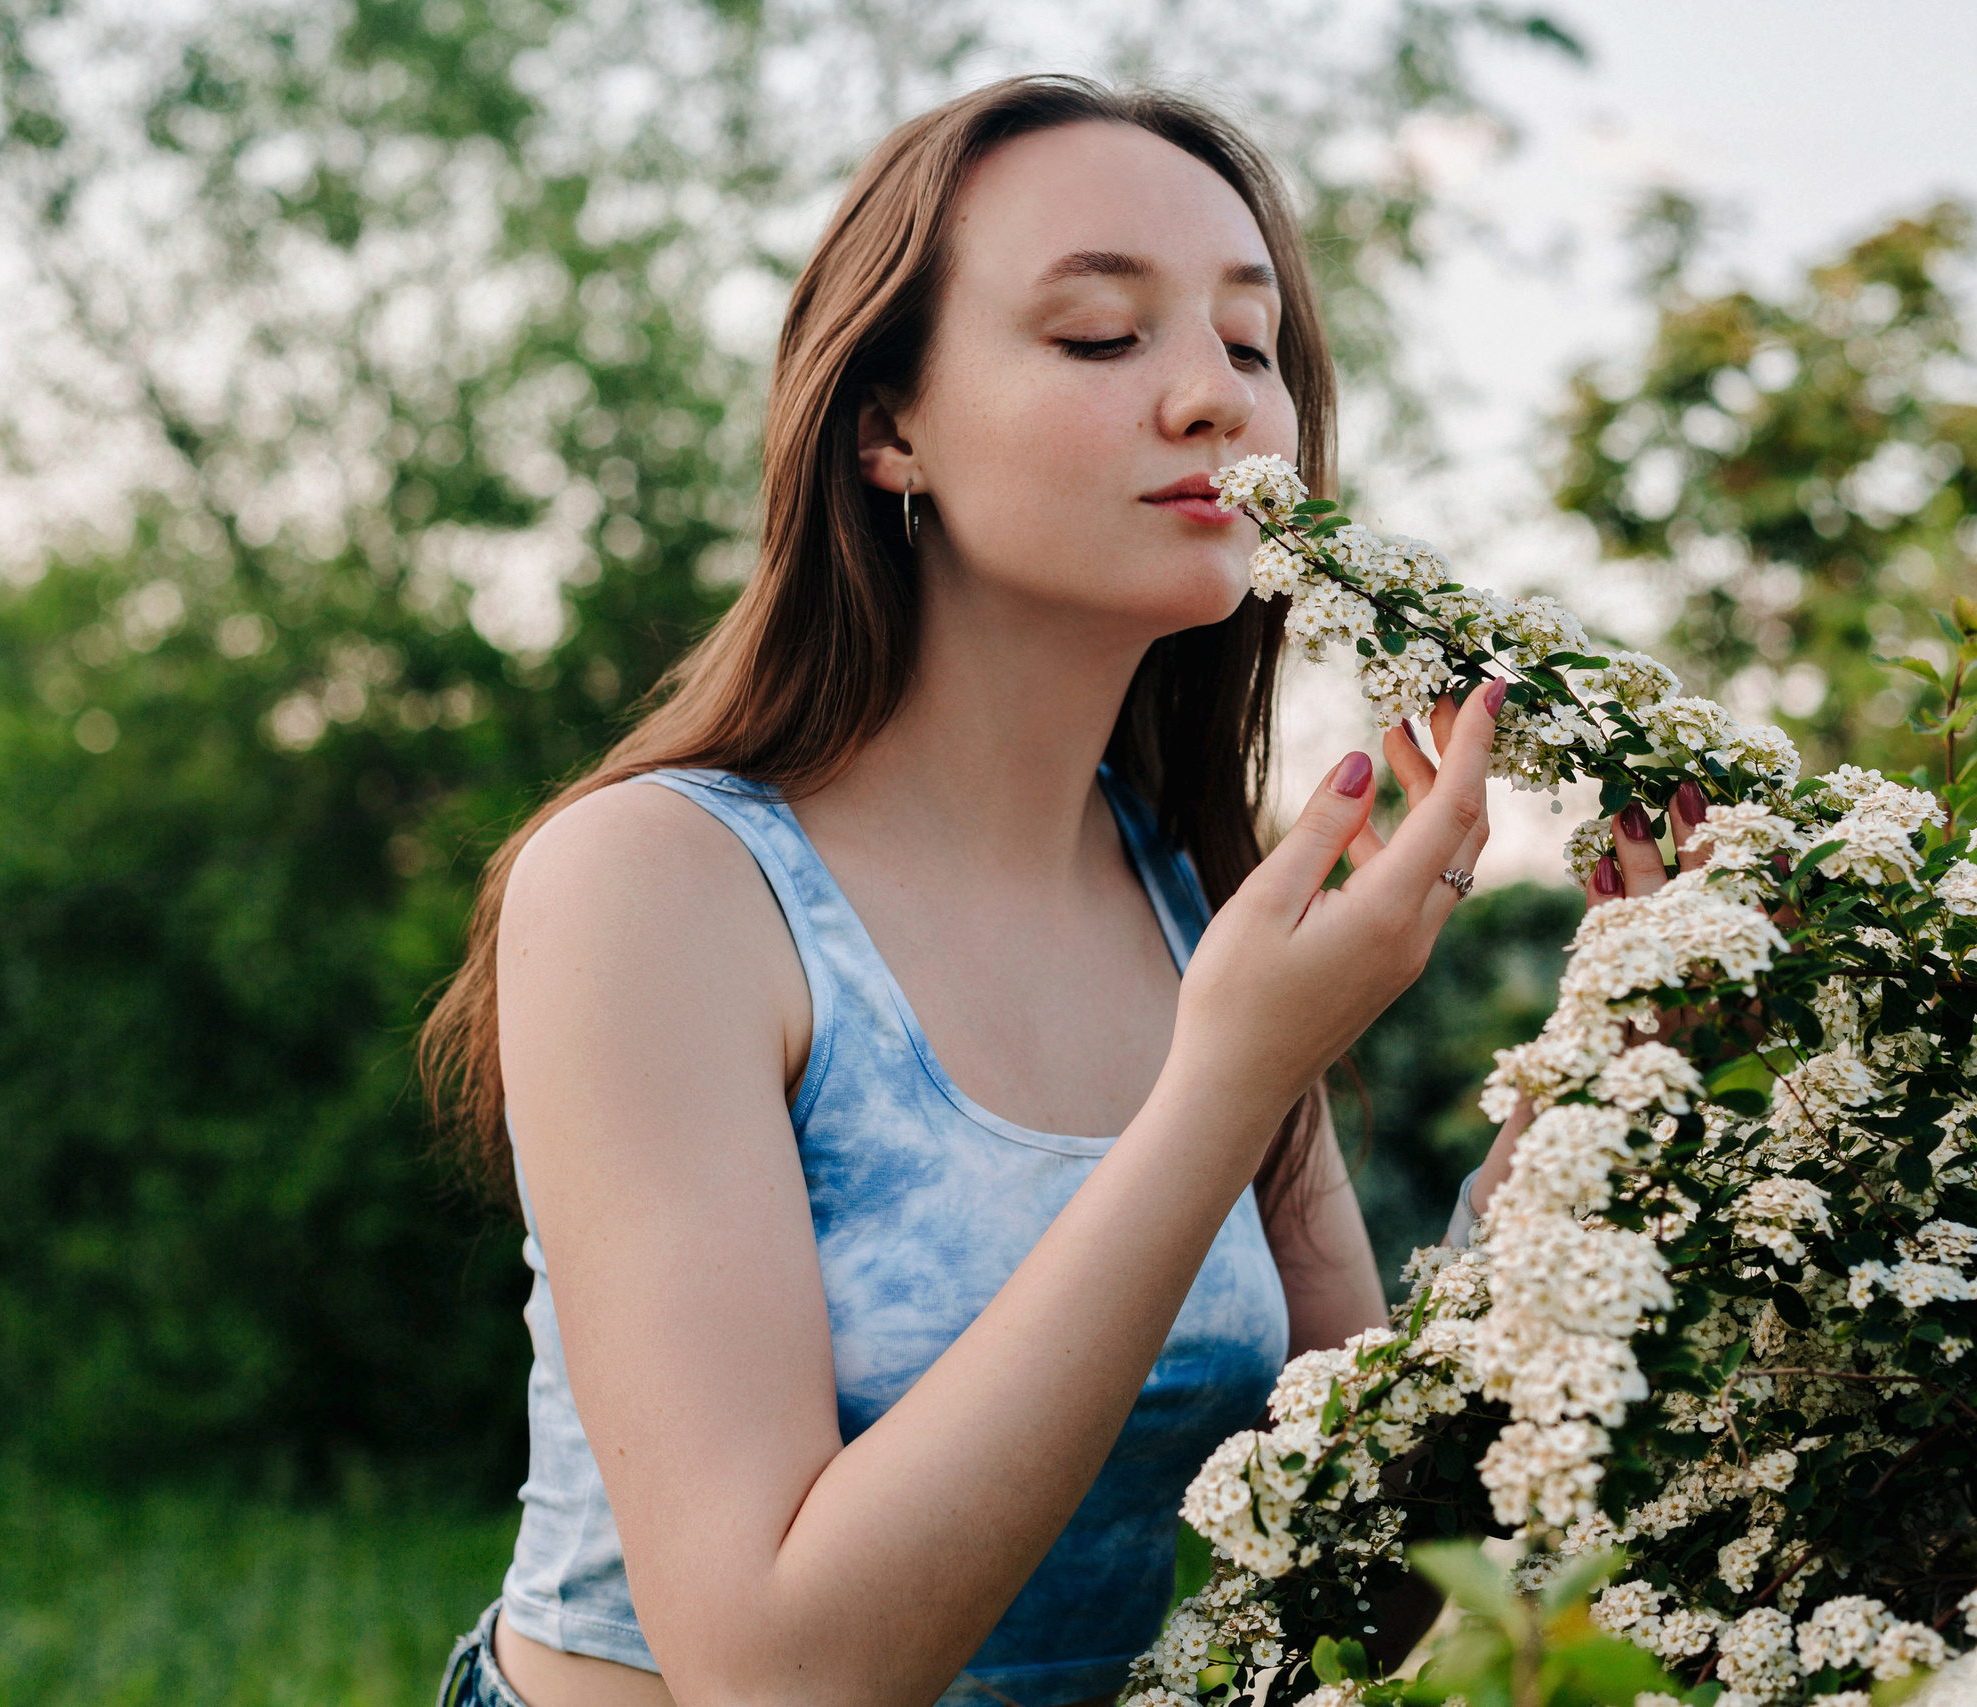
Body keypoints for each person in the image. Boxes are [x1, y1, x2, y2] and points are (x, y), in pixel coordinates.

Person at [418, 73, 1610, 1707]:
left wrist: (1594, 1103)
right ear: (888, 427)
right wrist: (1229, 1080)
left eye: (1253, 346)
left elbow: (1388, 1575)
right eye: (1102, 337)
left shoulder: (1194, 894)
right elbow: (776, 1675)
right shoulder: (660, 882)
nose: (1215, 402)